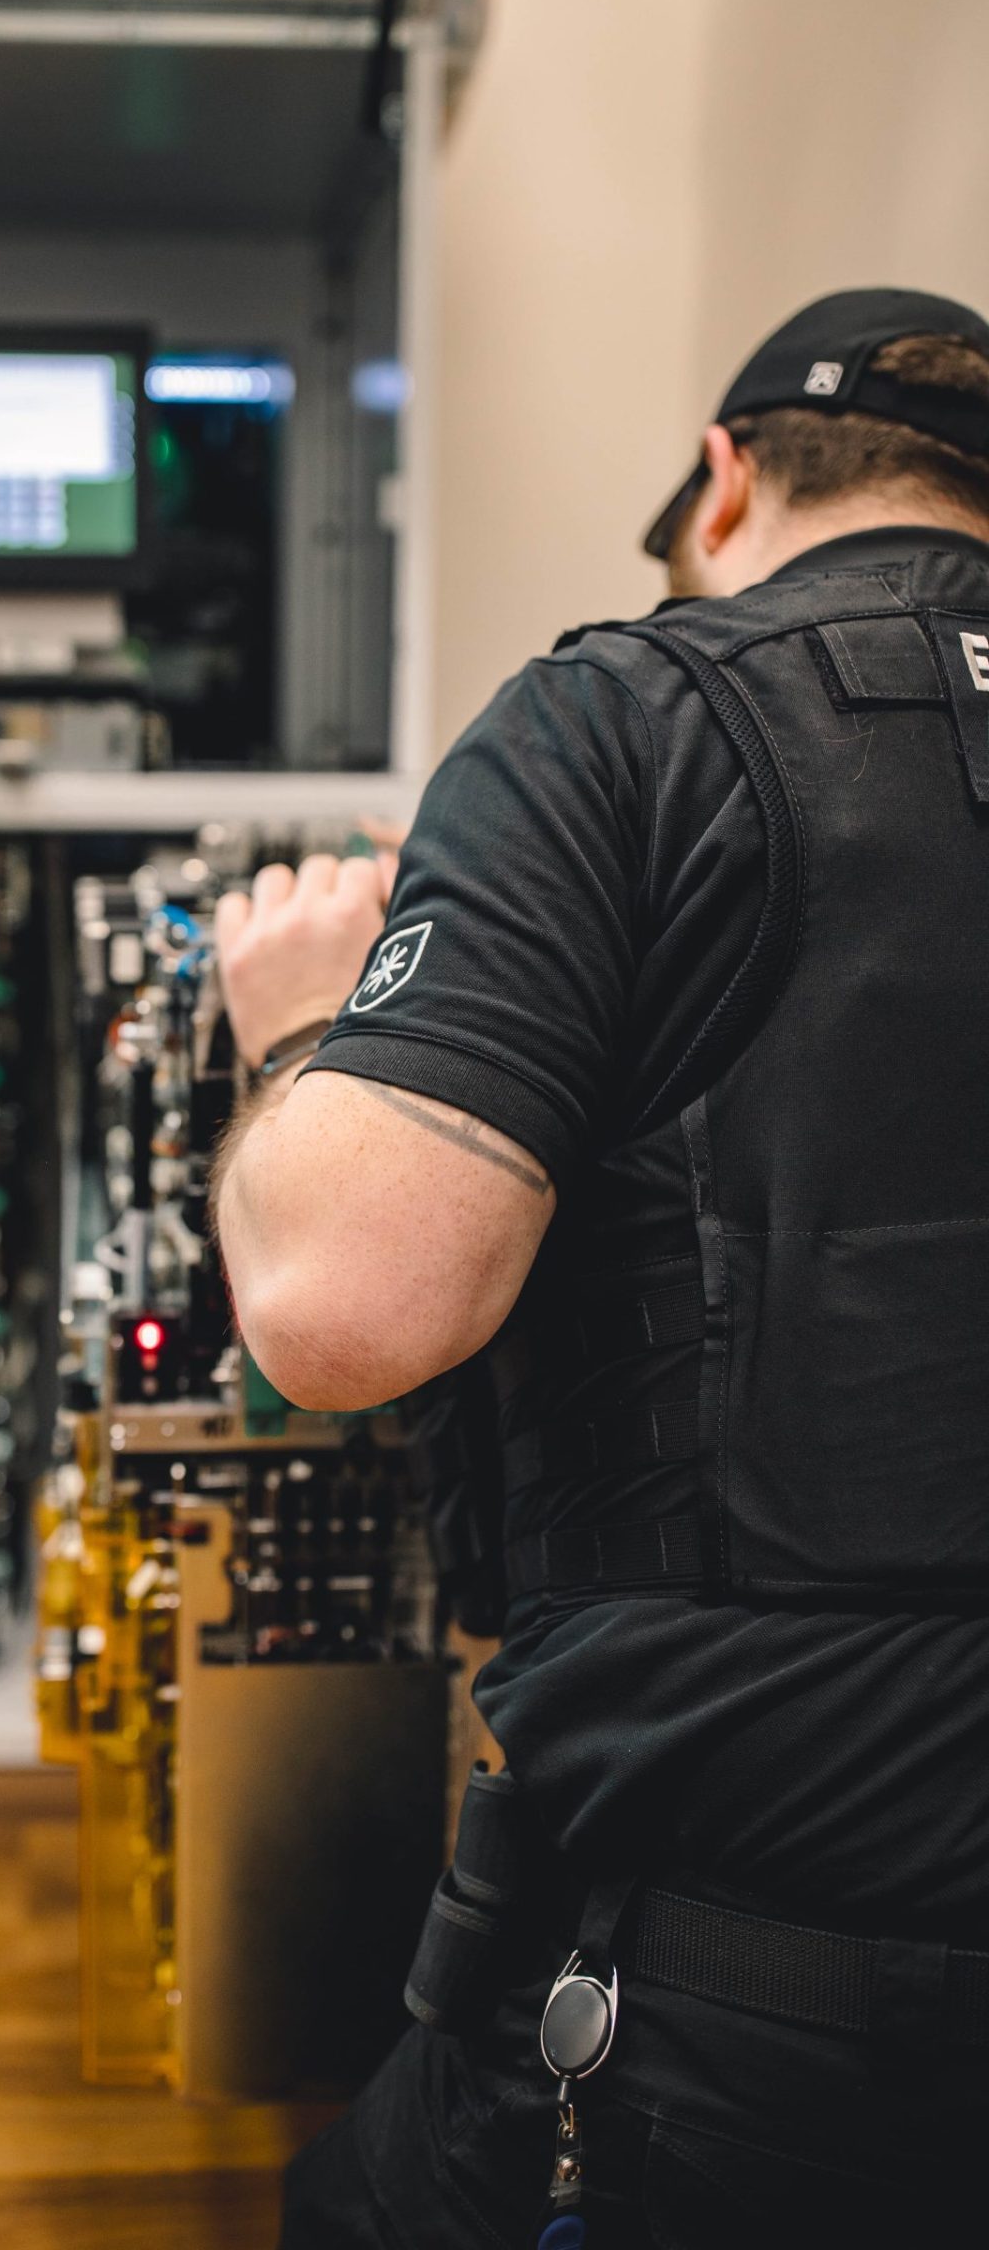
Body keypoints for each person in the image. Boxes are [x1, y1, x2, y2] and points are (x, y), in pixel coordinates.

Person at [211, 288, 989, 2247]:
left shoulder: (627, 713)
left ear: (723, 484)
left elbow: (341, 1311)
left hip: (762, 1983)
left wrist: (304, 1031)